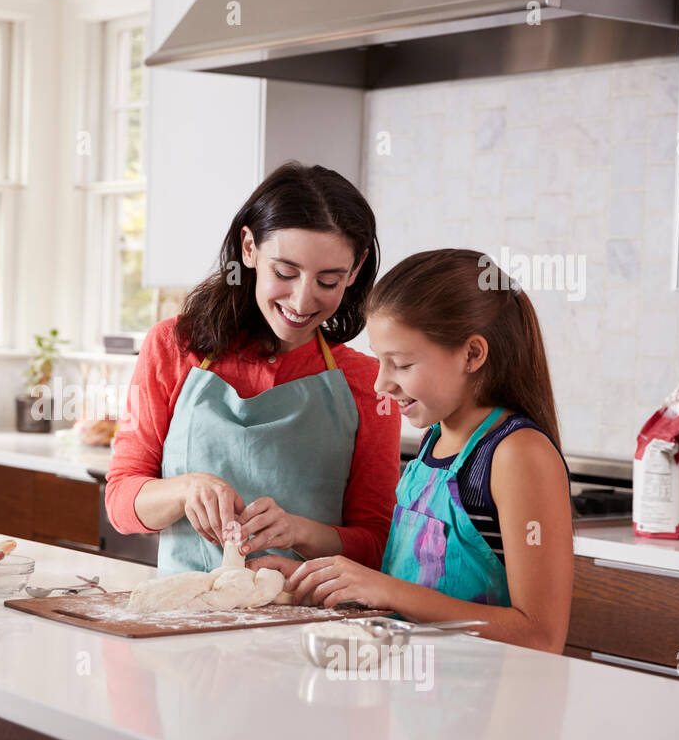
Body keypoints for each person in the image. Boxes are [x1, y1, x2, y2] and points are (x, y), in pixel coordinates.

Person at [252, 249, 574, 653]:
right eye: (380, 361)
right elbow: (411, 592)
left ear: (472, 354)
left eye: (401, 365)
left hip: (484, 706)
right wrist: (313, 580)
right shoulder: (434, 441)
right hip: (414, 703)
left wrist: (386, 590)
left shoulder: (516, 454)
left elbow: (540, 637)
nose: (380, 384)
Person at [105, 162, 402, 574]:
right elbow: (121, 502)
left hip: (309, 629)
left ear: (355, 269)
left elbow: (376, 545)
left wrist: (298, 531)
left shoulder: (369, 383)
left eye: (328, 281)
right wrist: (184, 489)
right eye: (285, 272)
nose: (302, 301)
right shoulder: (173, 347)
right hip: (184, 621)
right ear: (249, 248)